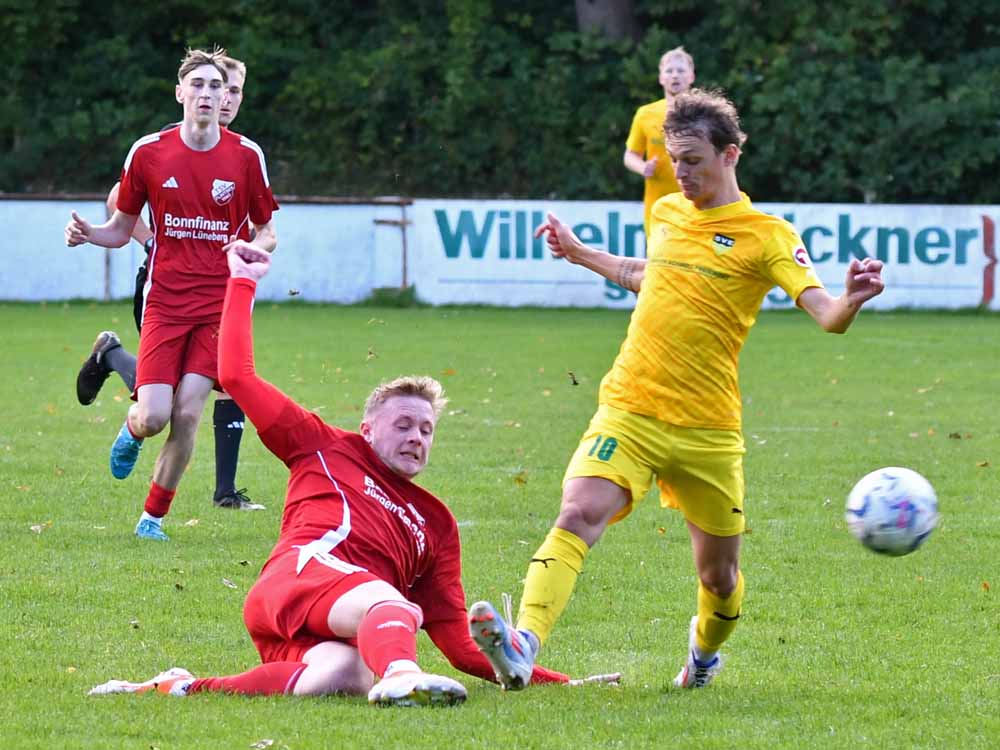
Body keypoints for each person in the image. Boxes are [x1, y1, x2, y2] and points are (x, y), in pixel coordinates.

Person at [469, 88, 886, 690]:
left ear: (730, 155)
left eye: (692, 160)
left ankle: (703, 656)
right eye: (672, 159)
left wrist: (849, 299)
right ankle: (522, 644)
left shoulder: (766, 234)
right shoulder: (665, 212)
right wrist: (581, 253)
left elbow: (826, 313)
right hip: (630, 408)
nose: (679, 173)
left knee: (719, 579)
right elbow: (649, 275)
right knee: (579, 512)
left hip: (708, 431)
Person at [88, 244, 619, 706]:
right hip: (296, 579)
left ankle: (179, 687)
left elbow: (460, 643)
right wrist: (242, 281)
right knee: (392, 606)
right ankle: (404, 676)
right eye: (404, 424)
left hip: (339, 621)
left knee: (343, 674)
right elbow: (235, 376)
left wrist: (560, 682)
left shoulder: (436, 524)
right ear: (367, 428)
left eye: (427, 430)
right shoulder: (321, 444)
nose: (417, 437)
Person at [64, 48, 278, 542]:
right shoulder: (149, 152)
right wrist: (87, 234)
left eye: (216, 86)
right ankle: (132, 426)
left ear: (227, 97)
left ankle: (152, 519)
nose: (207, 94)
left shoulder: (247, 156)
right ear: (180, 93)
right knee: (155, 415)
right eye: (197, 85)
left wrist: (251, 246)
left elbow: (268, 231)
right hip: (164, 301)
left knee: (188, 412)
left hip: (218, 308)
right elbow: (119, 226)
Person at [623, 46, 696, 236]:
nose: (675, 76)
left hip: (696, 204)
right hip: (658, 207)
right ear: (661, 78)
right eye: (669, 71)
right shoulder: (646, 114)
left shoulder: (703, 114)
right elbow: (630, 156)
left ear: (691, 77)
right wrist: (643, 167)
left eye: (680, 71)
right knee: (660, 262)